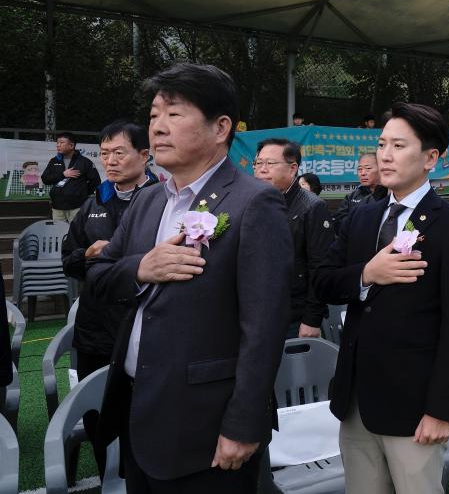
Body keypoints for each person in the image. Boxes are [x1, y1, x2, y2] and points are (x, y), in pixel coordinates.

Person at [88, 63, 293, 493]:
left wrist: (243, 425)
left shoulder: (255, 204)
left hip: (207, 426)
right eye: (153, 116)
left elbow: (264, 328)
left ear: (220, 128)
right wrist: (142, 267)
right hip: (139, 411)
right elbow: (100, 277)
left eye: (174, 114)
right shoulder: (147, 201)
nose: (158, 127)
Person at [313, 102, 449, 494]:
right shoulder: (361, 217)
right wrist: (366, 274)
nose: (385, 155)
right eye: (382, 144)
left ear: (431, 158)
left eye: (399, 146)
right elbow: (323, 282)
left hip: (415, 405)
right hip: (356, 399)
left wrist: (441, 410)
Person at [61, 120, 158, 478]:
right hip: (96, 330)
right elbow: (69, 261)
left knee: (148, 415)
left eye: (119, 152)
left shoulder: (165, 202)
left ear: (144, 155)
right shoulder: (92, 205)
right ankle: (107, 477)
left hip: (145, 327)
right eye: (104, 154)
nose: (110, 161)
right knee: (98, 415)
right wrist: (87, 253)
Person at [253, 138, 334, 338]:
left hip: (293, 315)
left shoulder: (312, 207)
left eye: (270, 164)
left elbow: (320, 266)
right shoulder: (252, 201)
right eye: (258, 163)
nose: (262, 169)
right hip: (256, 311)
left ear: (292, 169)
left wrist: (311, 319)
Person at [41, 132, 101, 222]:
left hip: (77, 206)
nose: (58, 145)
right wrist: (63, 174)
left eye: (61, 142)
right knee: (59, 233)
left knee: (76, 232)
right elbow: (45, 179)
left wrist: (81, 193)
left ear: (71, 145)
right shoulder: (54, 161)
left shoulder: (84, 162)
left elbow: (95, 181)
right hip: (57, 206)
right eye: (57, 143)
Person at [333, 153, 387, 231]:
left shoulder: (390, 193)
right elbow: (339, 223)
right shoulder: (351, 197)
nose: (363, 173)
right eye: (360, 169)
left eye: (368, 168)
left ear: (381, 169)